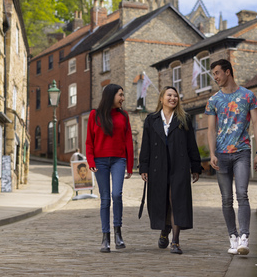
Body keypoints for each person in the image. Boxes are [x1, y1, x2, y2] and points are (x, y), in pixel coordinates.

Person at [205, 59, 257, 256]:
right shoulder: (213, 100)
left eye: (217, 73)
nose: (215, 77)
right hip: (221, 155)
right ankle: (233, 237)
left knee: (242, 194)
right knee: (226, 199)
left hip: (242, 152)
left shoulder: (248, 96)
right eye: (213, 74)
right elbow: (211, 129)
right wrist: (212, 154)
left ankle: (244, 237)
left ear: (228, 72)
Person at [139, 86, 202, 255]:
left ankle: (175, 241)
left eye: (176, 95)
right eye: (169, 95)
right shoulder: (151, 120)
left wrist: (195, 166)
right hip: (157, 167)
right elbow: (146, 145)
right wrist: (143, 166)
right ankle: (164, 231)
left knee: (177, 202)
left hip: (179, 166)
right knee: (163, 201)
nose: (173, 98)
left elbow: (191, 144)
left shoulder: (184, 119)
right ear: (161, 98)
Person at [85, 84, 133, 253]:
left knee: (116, 194)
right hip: (100, 161)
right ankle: (105, 237)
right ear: (111, 95)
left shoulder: (124, 116)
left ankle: (118, 233)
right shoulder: (94, 115)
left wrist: (130, 165)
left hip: (118, 160)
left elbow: (128, 140)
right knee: (105, 199)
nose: (123, 98)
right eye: (120, 95)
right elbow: (89, 141)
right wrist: (91, 161)